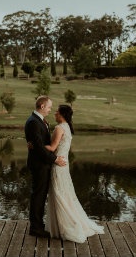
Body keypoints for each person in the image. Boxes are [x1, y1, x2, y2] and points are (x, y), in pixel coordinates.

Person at [30, 104, 104, 243]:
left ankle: (67, 226)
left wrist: (34, 145)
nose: (54, 114)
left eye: (57, 112)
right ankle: (63, 225)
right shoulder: (67, 127)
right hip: (63, 165)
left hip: (58, 165)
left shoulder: (59, 128)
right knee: (64, 193)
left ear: (62, 115)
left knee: (59, 194)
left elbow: (52, 148)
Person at [25, 96, 67, 238]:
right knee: (38, 195)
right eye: (49, 107)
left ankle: (38, 224)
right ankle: (35, 228)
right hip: (39, 164)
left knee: (40, 195)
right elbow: (38, 147)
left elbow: (40, 144)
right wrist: (55, 159)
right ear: (42, 106)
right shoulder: (33, 122)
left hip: (42, 163)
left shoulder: (39, 121)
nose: (50, 110)